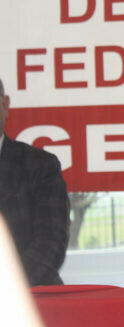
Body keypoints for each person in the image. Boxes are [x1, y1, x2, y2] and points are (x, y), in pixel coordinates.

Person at [0, 78, 70, 286]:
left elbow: (50, 245)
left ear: (5, 104)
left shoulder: (40, 165)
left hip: (29, 295)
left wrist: (7, 286)